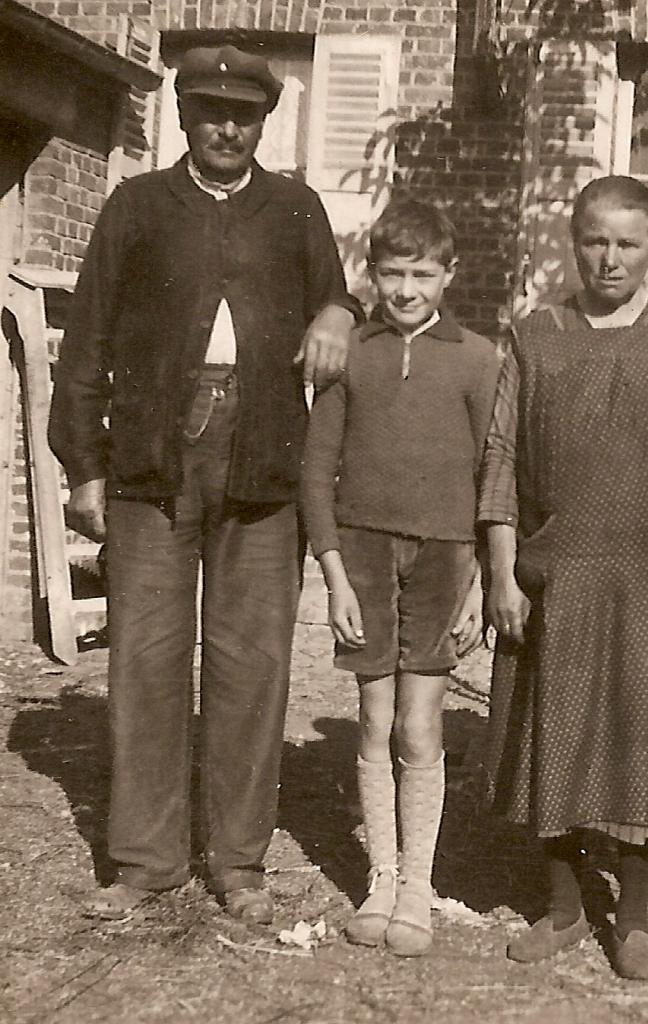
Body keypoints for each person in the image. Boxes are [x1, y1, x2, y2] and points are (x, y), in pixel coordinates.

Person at [48, 45, 362, 923]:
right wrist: (84, 465)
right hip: (151, 455)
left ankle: (238, 860)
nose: (227, 127)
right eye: (210, 111)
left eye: (244, 114)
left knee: (251, 663)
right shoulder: (137, 206)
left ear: (265, 123)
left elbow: (338, 300)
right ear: (182, 118)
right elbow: (86, 344)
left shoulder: (296, 208)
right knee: (145, 660)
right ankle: (146, 860)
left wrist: (339, 309)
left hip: (264, 456)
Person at [479, 175, 648, 981]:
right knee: (549, 741)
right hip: (557, 573)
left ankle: (630, 918)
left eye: (629, 243)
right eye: (596, 240)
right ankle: (563, 907)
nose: (611, 258)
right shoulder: (535, 336)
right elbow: (499, 459)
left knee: (643, 743)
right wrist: (500, 570)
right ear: (574, 240)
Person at [300, 199, 498, 956]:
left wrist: (481, 576)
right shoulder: (354, 352)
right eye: (392, 273)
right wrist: (335, 576)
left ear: (449, 275)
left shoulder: (479, 359)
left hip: (446, 556)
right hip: (365, 553)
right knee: (376, 720)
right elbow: (318, 472)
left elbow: (494, 477)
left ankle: (418, 883)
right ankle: (380, 876)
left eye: (422, 273)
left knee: (420, 724)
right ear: (372, 275)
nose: (407, 289)